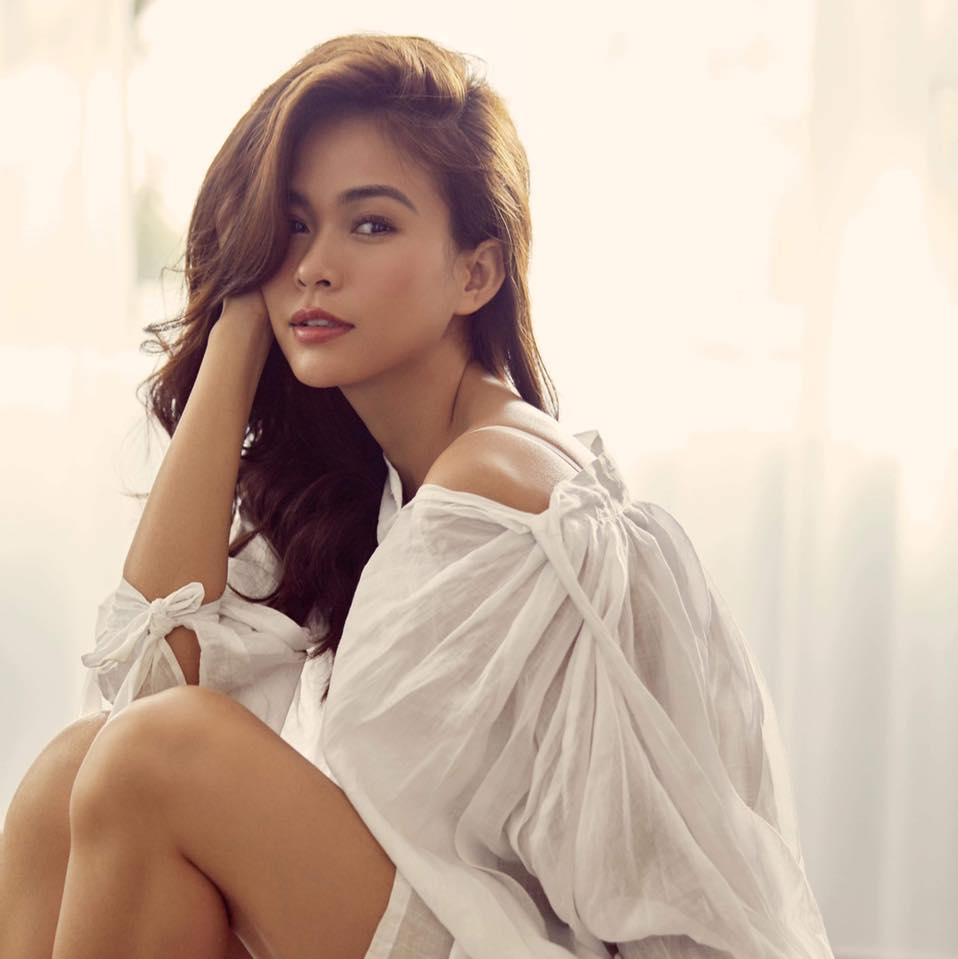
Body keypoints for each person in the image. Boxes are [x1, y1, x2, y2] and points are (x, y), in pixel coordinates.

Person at [0, 32, 836, 959]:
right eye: (291, 227)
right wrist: (240, 322)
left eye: (370, 225)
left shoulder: (493, 492)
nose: (313, 266)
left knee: (157, 756)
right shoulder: (382, 478)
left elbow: (159, 735)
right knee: (69, 776)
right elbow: (146, 684)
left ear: (476, 273)